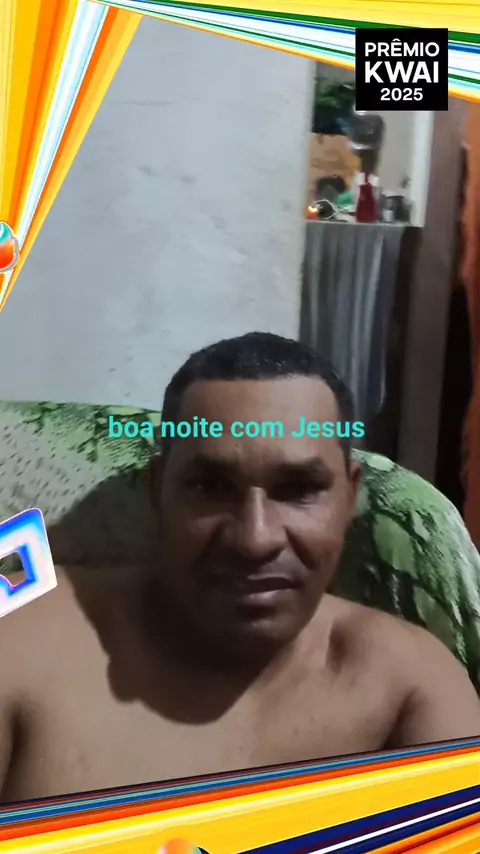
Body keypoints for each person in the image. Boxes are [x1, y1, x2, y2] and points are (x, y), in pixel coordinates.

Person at [1, 332, 479, 804]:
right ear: (158, 491)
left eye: (299, 489)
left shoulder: (406, 685)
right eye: (210, 487)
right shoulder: (22, 626)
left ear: (350, 497)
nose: (255, 539)